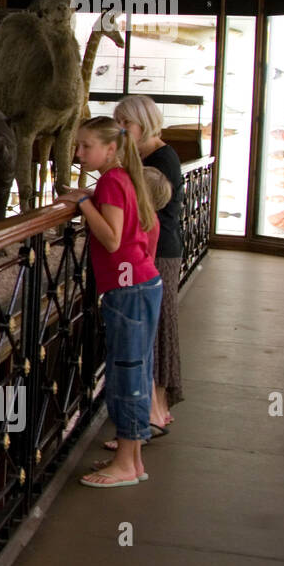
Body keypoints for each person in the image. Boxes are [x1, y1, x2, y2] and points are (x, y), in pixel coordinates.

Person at [56, 117, 162, 487]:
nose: (79, 153)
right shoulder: (122, 178)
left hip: (128, 287)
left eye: (86, 146)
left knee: (128, 370)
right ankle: (130, 457)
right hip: (140, 284)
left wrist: (83, 202)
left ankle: (126, 463)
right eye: (78, 146)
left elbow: (113, 239)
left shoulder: (114, 181)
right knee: (135, 367)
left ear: (111, 149)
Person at [115, 95, 184, 437]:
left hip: (160, 253)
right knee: (159, 327)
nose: (121, 131)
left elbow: (143, 206)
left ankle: (152, 412)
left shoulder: (160, 159)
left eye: (125, 124)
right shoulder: (158, 156)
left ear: (142, 124)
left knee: (155, 329)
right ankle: (158, 409)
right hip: (164, 250)